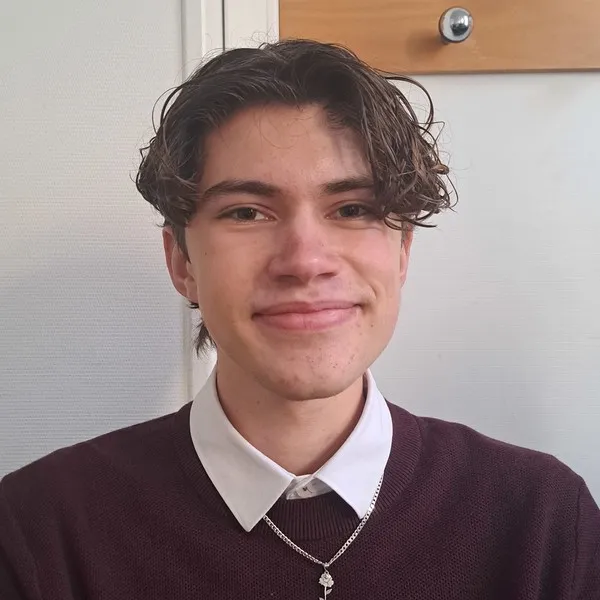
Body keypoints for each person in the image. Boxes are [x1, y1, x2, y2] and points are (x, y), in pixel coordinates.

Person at [0, 39, 598, 600]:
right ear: (182, 261)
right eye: (246, 212)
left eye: (353, 208)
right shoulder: (39, 530)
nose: (306, 261)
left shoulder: (543, 519)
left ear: (402, 253)